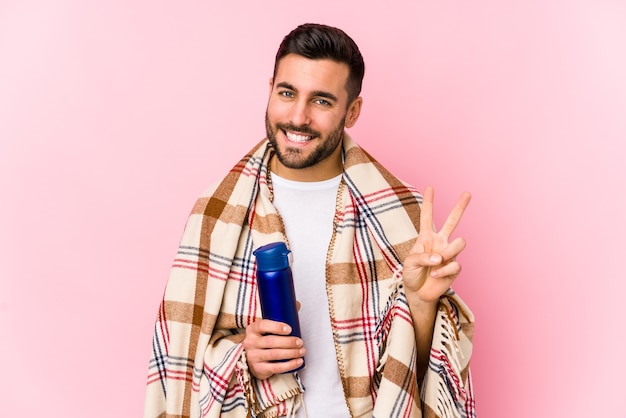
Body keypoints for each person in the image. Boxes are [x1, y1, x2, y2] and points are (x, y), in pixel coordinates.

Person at [145, 23, 475, 418]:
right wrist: (242, 356)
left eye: (321, 101)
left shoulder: (401, 214)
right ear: (270, 89)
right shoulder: (216, 213)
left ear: (351, 111)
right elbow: (178, 358)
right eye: (287, 93)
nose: (297, 117)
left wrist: (422, 304)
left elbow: (423, 375)